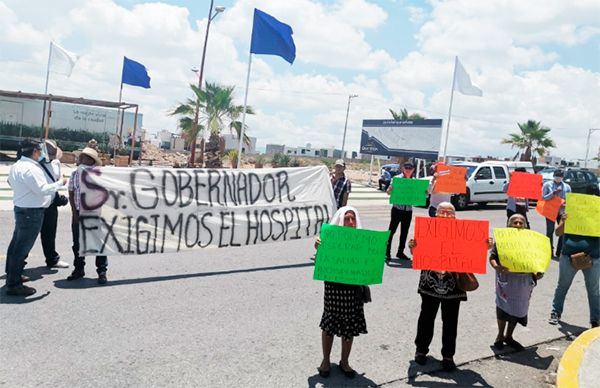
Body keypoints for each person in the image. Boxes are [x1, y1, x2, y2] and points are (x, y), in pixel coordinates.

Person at [408, 202, 489, 372]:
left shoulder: (463, 232)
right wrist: (413, 247)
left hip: (454, 286)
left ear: (455, 215)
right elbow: (417, 254)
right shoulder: (427, 230)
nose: (445, 215)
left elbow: (474, 252)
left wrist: (485, 246)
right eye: (442, 212)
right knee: (426, 318)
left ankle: (448, 356)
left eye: (449, 212)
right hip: (429, 283)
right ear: (436, 214)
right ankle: (421, 350)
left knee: (450, 322)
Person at [4, 140, 67, 296]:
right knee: (21, 249)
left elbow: (11, 182)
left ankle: (13, 276)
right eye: (40, 150)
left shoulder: (17, 165)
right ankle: (14, 284)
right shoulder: (32, 168)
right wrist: (60, 183)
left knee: (16, 245)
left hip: (21, 209)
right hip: (32, 212)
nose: (41, 153)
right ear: (34, 151)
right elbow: (42, 190)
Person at [315, 206, 367, 379]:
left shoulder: (362, 240)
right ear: (340, 220)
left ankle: (345, 361)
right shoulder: (330, 239)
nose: (350, 222)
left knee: (349, 326)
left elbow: (369, 264)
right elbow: (321, 262)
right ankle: (326, 361)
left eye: (353, 218)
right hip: (334, 287)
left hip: (353, 289)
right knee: (330, 323)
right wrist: (319, 247)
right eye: (346, 218)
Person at [489, 214, 543, 351]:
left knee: (517, 310)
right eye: (515, 222)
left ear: (525, 225)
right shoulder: (502, 240)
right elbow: (493, 257)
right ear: (509, 225)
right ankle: (500, 336)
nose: (518, 225)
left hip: (523, 283)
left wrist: (538, 272)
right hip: (506, 280)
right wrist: (496, 266)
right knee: (503, 308)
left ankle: (509, 336)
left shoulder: (531, 241)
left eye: (521, 223)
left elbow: (537, 260)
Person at [66, 147, 108, 284]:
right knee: (77, 244)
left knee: (98, 243)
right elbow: (71, 193)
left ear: (92, 161)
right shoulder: (75, 174)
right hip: (79, 212)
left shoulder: (99, 174)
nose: (82, 160)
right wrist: (74, 213)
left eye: (86, 158)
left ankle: (102, 271)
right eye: (82, 157)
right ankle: (79, 269)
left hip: (95, 213)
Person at [549, 213, 599, 328]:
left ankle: (595, 319)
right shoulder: (570, 213)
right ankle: (555, 313)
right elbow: (557, 233)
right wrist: (564, 221)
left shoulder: (597, 212)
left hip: (592, 258)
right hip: (568, 256)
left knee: (593, 290)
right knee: (562, 286)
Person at [38, 139, 70, 269]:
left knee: (50, 233)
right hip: (36, 204)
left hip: (51, 203)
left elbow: (57, 178)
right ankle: (18, 264)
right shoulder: (34, 164)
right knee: (28, 236)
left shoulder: (56, 163)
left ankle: (52, 259)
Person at [386, 161, 415, 261]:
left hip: (408, 210)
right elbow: (388, 193)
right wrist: (390, 189)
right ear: (403, 169)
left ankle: (400, 252)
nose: (408, 170)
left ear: (413, 170)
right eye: (406, 168)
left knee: (404, 232)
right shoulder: (397, 179)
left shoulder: (415, 182)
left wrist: (423, 192)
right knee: (392, 231)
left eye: (410, 168)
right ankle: (387, 252)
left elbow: (420, 195)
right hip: (397, 209)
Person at [542, 169, 571, 257]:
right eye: (557, 176)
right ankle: (549, 250)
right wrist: (553, 193)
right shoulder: (547, 185)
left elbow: (569, 199)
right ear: (554, 176)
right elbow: (543, 197)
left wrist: (566, 203)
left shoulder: (567, 187)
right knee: (550, 231)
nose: (558, 178)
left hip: (561, 211)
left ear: (562, 177)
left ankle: (560, 251)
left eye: (560, 176)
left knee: (562, 231)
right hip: (550, 211)